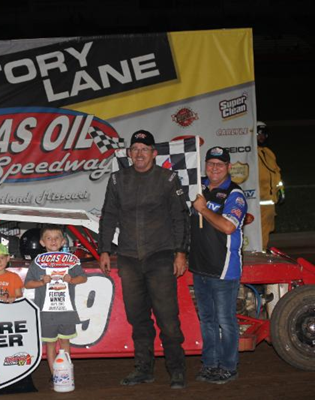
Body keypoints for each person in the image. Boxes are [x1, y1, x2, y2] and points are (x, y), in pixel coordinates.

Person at [98, 130, 190, 389]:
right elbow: (108, 215)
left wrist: (181, 252)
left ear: (154, 153)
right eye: (135, 149)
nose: (139, 153)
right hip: (127, 257)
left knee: (167, 318)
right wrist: (104, 249)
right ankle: (143, 369)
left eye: (145, 149)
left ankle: (177, 370)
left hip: (160, 256)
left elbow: (181, 217)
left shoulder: (167, 178)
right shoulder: (118, 179)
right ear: (129, 153)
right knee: (137, 317)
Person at [190, 146, 247, 384]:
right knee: (207, 320)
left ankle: (229, 366)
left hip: (224, 268)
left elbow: (228, 227)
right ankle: (210, 364)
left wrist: (203, 209)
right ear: (205, 165)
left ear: (228, 167)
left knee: (225, 320)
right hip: (200, 266)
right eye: (211, 163)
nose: (214, 168)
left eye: (220, 164)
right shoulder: (197, 188)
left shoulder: (235, 194)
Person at [24, 225, 87, 381]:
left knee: (65, 342)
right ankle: (56, 376)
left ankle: (67, 373)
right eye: (49, 238)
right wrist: (41, 282)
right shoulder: (37, 263)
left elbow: (83, 277)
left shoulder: (71, 261)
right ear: (42, 242)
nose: (53, 241)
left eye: (57, 237)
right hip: (46, 314)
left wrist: (72, 280)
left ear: (63, 241)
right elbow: (27, 284)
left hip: (66, 312)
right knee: (50, 346)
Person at [256, 121, 284, 250]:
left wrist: (280, 190)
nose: (262, 137)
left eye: (264, 134)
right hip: (255, 201)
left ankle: (262, 251)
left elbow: (276, 173)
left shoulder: (269, 153)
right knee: (254, 229)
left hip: (268, 202)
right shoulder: (250, 153)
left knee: (266, 229)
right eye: (259, 133)